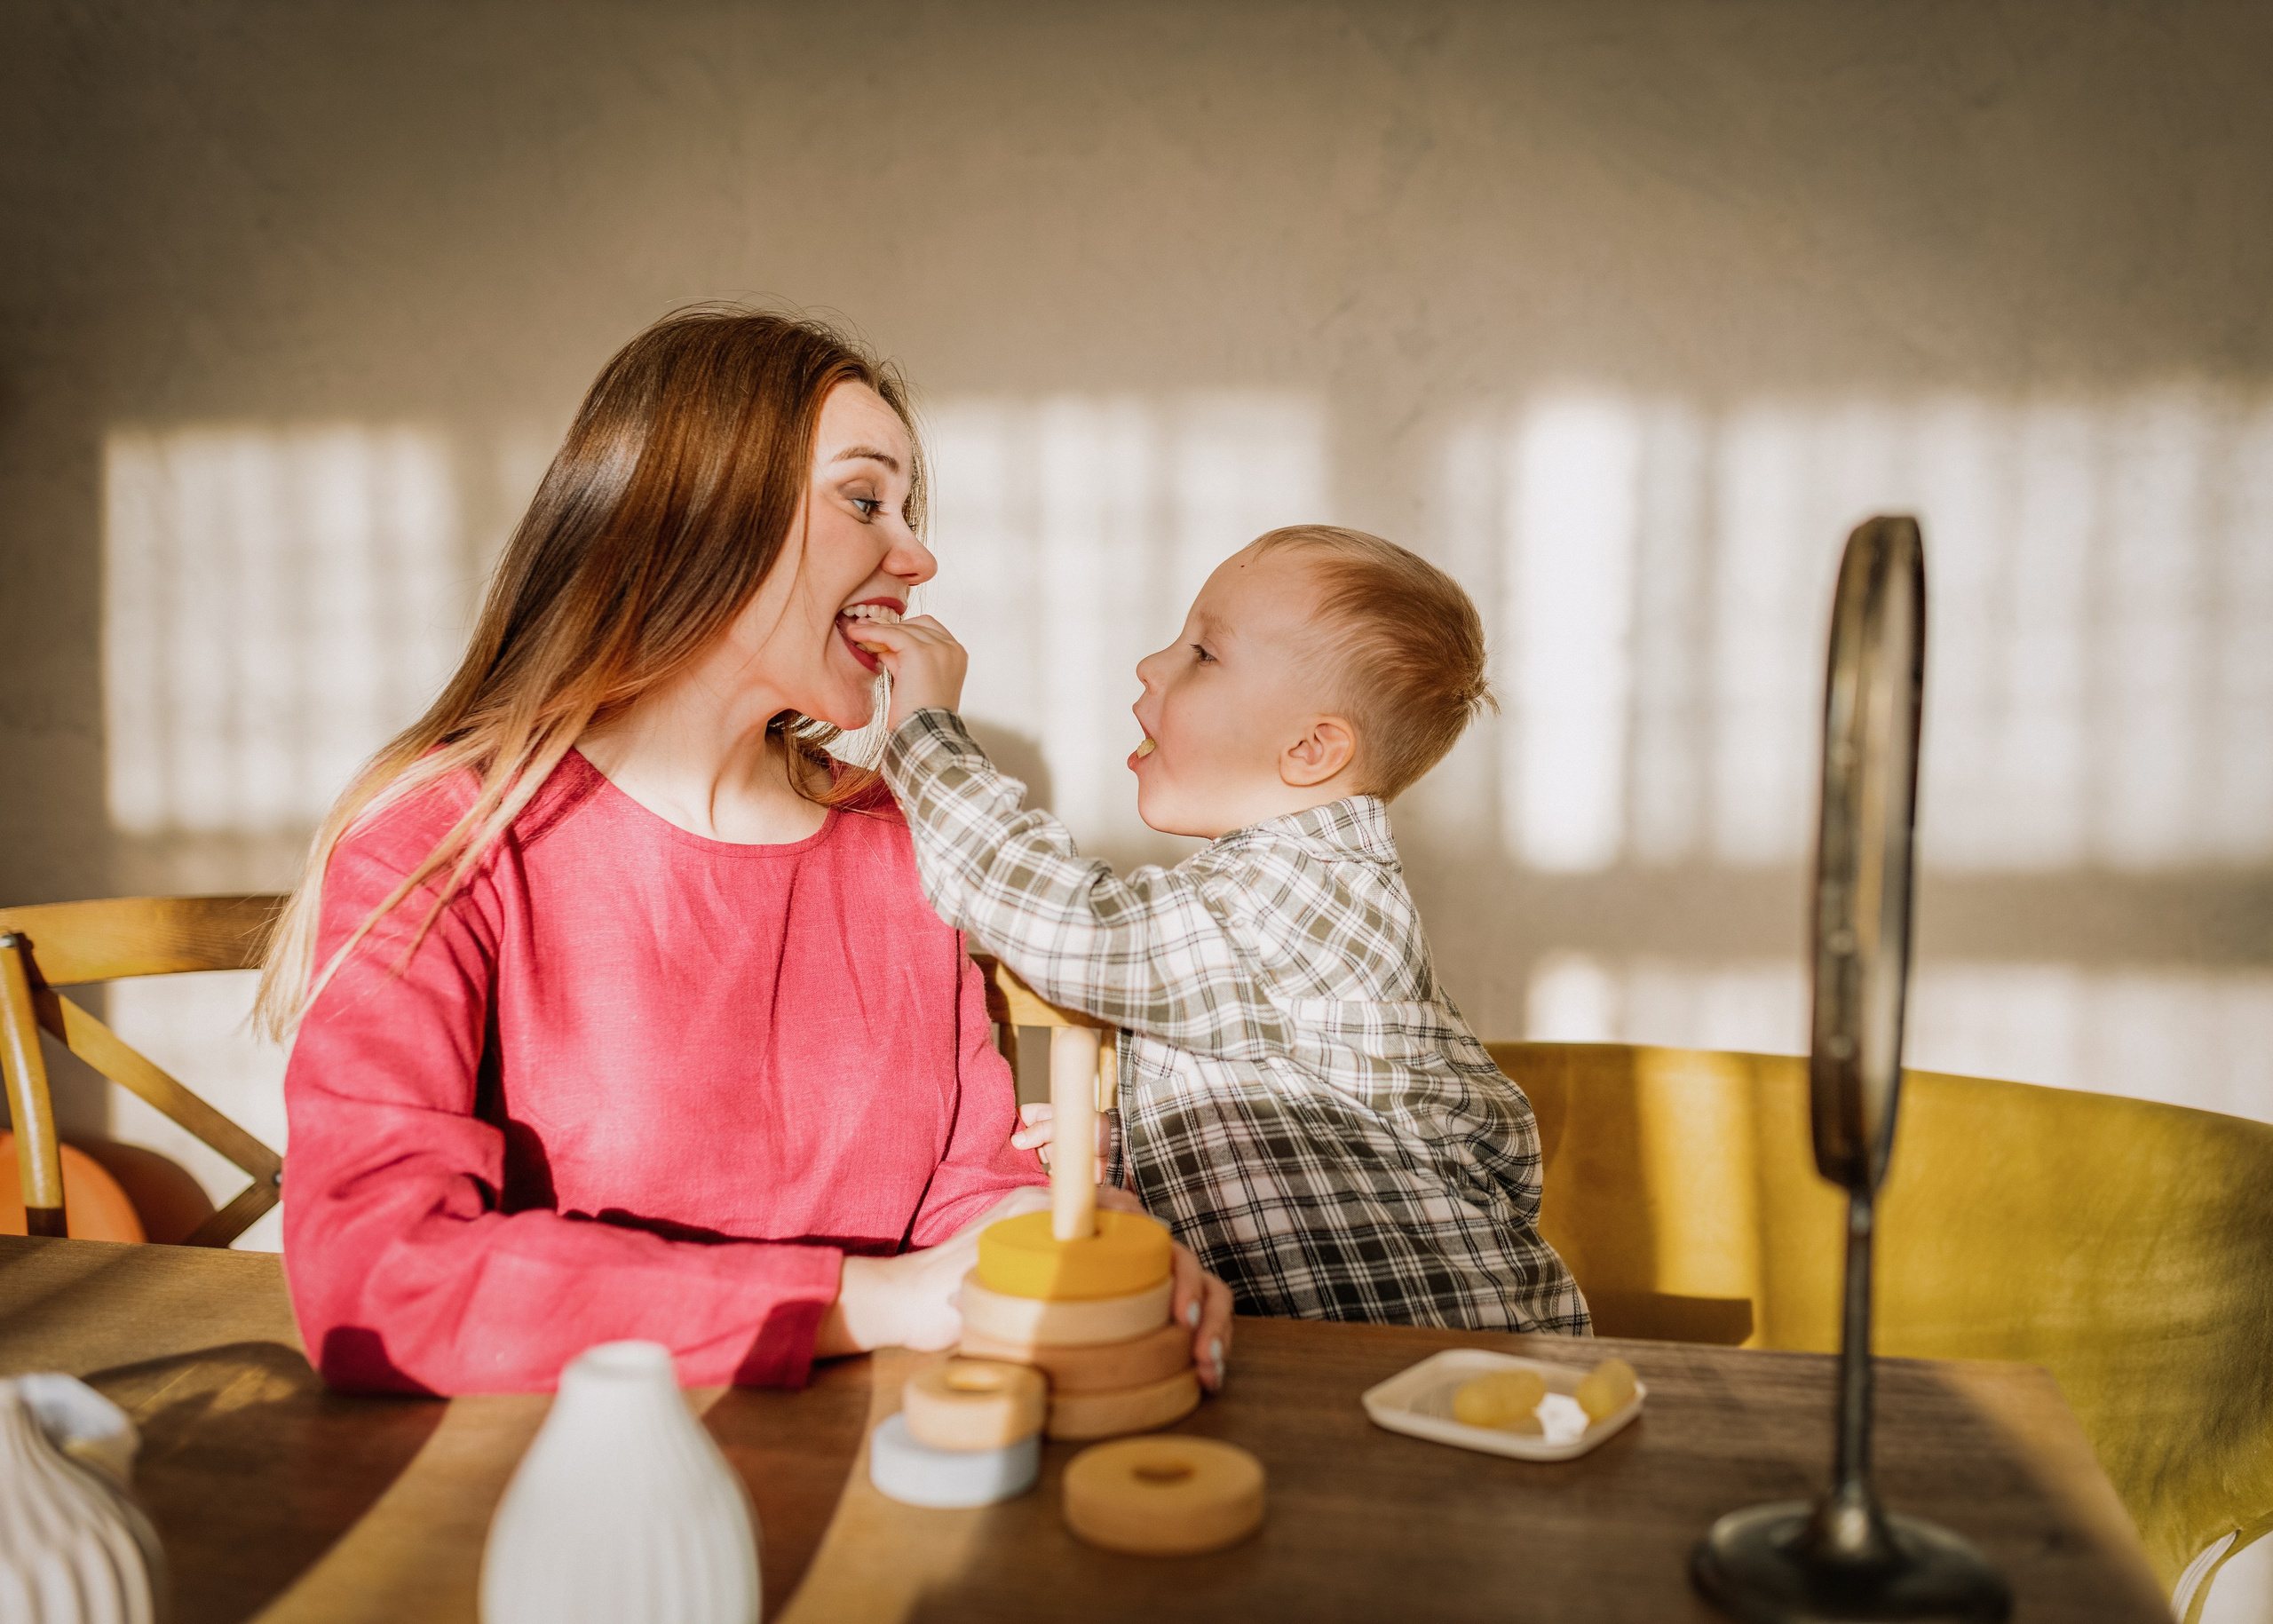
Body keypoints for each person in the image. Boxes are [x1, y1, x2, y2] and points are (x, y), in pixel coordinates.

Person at [260, 308, 1233, 1395]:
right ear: (696, 516)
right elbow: (380, 1274)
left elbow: (969, 1189)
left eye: (906, 511)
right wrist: (870, 1300)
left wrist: (1076, 1238)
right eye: (865, 500)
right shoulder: (446, 833)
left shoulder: (896, 838)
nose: (917, 557)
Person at [849, 526, 1591, 1335]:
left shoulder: (1298, 896)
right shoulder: (1287, 897)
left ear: (1310, 749)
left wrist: (924, 731)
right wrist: (1158, 1137)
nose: (1150, 665)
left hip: (1454, 1365)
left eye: (1204, 654)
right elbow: (1325, 1105)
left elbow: (1070, 928)